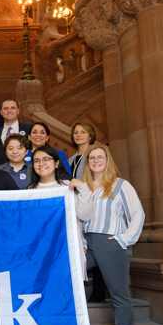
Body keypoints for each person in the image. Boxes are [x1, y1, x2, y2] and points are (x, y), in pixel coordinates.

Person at [82, 143, 145, 325]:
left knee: (119, 295)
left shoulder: (120, 185)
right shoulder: (84, 186)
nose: (96, 161)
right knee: (64, 276)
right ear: (87, 162)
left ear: (107, 160)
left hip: (110, 242)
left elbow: (137, 213)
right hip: (86, 242)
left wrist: (124, 239)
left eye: (101, 157)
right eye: (92, 158)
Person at [28, 145, 95, 279]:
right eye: (36, 160)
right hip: (40, 250)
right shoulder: (30, 191)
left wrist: (84, 189)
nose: (41, 164)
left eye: (46, 159)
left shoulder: (68, 187)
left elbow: (85, 215)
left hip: (66, 249)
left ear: (57, 163)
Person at [68, 122, 102, 302]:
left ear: (90, 135)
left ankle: (99, 287)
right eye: (76, 132)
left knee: (95, 243)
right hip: (78, 204)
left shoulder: (95, 154)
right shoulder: (71, 158)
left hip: (95, 202)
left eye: (83, 132)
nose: (79, 135)